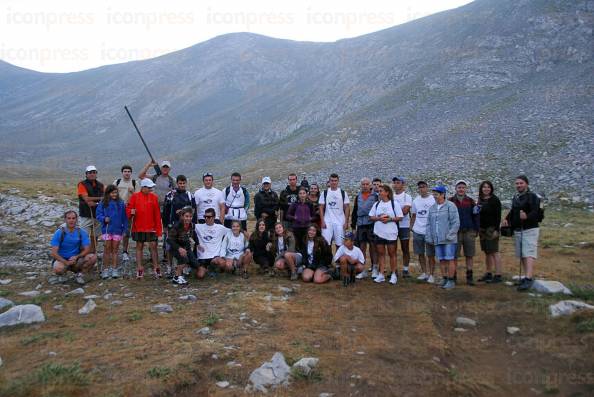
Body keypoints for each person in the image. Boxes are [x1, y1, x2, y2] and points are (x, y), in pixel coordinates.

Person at [503, 175, 542, 291]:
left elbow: (537, 212)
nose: (519, 185)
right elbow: (513, 211)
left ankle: (529, 278)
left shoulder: (533, 197)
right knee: (522, 254)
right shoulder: (516, 197)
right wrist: (507, 219)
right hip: (518, 229)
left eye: (521, 183)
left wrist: (527, 216)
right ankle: (526, 277)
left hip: (530, 229)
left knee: (528, 252)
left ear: (527, 184)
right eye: (517, 183)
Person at [126, 178, 163, 279]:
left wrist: (159, 230)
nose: (151, 189)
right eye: (149, 187)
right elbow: (128, 209)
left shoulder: (154, 197)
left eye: (151, 187)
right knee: (139, 246)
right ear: (143, 187)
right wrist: (130, 212)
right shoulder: (134, 197)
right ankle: (139, 268)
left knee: (153, 246)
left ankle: (156, 267)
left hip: (151, 227)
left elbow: (157, 214)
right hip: (138, 227)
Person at [426, 186, 460, 290]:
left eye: (436, 194)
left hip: (448, 239)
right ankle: (444, 278)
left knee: (450, 259)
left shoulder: (450, 206)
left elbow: (456, 222)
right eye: (434, 194)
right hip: (437, 239)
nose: (434, 196)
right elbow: (428, 224)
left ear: (442, 194)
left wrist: (450, 235)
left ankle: (451, 280)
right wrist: (429, 236)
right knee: (441, 259)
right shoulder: (432, 208)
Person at [369, 184, 404, 284]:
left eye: (381, 191)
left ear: (387, 193)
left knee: (392, 253)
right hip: (379, 232)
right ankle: (381, 274)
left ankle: (393, 274)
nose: (379, 193)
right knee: (381, 253)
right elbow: (371, 216)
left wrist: (390, 219)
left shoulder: (394, 204)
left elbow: (400, 217)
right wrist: (379, 218)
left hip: (391, 233)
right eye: (379, 191)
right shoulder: (377, 204)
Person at [50, 210, 97, 285]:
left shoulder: (81, 232)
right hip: (62, 259)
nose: (71, 220)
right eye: (69, 218)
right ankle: (62, 274)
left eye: (73, 218)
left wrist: (77, 256)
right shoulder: (59, 232)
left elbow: (87, 249)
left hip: (76, 259)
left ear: (76, 219)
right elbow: (54, 253)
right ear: (65, 220)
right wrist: (66, 262)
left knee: (93, 257)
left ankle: (80, 274)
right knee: (58, 269)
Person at [163, 175, 196, 276]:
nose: (182, 185)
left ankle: (184, 266)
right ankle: (169, 266)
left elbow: (194, 209)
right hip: (172, 224)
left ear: (186, 183)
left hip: (186, 224)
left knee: (185, 244)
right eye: (180, 183)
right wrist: (165, 225)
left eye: (183, 183)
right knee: (169, 247)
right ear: (177, 183)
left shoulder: (190, 195)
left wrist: (193, 223)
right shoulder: (170, 194)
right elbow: (165, 211)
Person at [449, 180, 480, 286]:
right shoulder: (450, 201)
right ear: (456, 189)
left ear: (466, 189)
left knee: (469, 255)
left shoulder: (471, 201)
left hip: (469, 231)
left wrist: (476, 229)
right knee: (454, 256)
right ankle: (453, 276)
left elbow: (476, 216)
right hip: (455, 233)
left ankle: (469, 277)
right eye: (459, 187)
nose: (461, 189)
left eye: (463, 187)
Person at [96, 185, 128, 279]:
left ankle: (114, 269)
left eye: (115, 192)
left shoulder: (121, 203)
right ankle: (105, 269)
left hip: (118, 230)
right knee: (107, 250)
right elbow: (98, 214)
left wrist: (125, 229)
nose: (114, 194)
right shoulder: (103, 202)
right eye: (112, 193)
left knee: (115, 250)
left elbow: (124, 218)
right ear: (108, 193)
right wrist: (103, 218)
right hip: (106, 230)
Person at [350, 177, 379, 279]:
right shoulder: (358, 197)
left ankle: (375, 268)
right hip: (361, 224)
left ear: (370, 185)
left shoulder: (375, 196)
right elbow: (355, 211)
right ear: (361, 185)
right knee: (361, 248)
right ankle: (362, 269)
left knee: (373, 247)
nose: (365, 186)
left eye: (367, 184)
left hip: (372, 224)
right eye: (363, 184)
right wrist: (353, 226)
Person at [477, 181, 503, 284]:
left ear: (491, 188)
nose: (486, 189)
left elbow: (498, 216)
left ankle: (498, 274)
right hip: (482, 229)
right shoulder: (480, 199)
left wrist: (497, 230)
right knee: (487, 251)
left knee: (494, 251)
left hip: (491, 229)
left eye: (488, 187)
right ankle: (488, 273)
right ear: (481, 189)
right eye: (484, 187)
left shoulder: (495, 200)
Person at [411, 181, 436, 283]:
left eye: (423, 187)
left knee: (430, 254)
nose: (422, 189)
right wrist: (411, 227)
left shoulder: (433, 199)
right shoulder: (416, 200)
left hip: (429, 231)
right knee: (420, 253)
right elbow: (414, 215)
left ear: (427, 188)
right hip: (418, 230)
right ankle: (424, 272)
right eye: (420, 187)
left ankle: (431, 275)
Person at [114, 164, 139, 262]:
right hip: (118, 208)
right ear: (122, 172)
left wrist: (133, 193)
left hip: (129, 208)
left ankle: (124, 251)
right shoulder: (117, 182)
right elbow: (111, 194)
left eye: (129, 171)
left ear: (131, 173)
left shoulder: (134, 183)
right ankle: (114, 250)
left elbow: (138, 197)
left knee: (126, 231)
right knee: (115, 230)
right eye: (125, 171)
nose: (127, 173)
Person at [195, 208, 229, 279]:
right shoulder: (198, 227)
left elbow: (233, 231)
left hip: (215, 257)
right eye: (205, 217)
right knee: (200, 276)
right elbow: (186, 225)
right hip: (203, 257)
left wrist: (245, 234)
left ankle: (214, 268)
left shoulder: (220, 228)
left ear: (214, 217)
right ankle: (207, 269)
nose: (206, 218)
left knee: (222, 263)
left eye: (209, 217)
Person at [166, 207, 197, 285]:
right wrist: (179, 248)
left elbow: (194, 236)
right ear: (182, 216)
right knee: (184, 258)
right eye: (186, 216)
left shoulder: (191, 225)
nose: (188, 218)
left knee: (195, 264)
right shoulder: (177, 226)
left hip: (185, 247)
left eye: (190, 216)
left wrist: (198, 244)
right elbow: (169, 240)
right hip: (174, 247)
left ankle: (182, 270)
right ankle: (177, 277)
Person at [77, 165, 104, 253]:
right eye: (90, 173)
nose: (92, 174)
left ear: (96, 174)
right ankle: (83, 254)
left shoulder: (100, 185)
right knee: (84, 236)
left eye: (94, 172)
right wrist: (99, 199)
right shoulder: (82, 184)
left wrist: (95, 202)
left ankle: (93, 254)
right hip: (85, 215)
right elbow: (86, 198)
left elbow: (103, 197)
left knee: (94, 236)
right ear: (86, 174)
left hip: (97, 214)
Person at [319, 173, 351, 248]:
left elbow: (347, 207)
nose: (333, 182)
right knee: (326, 244)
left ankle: (338, 259)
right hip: (327, 221)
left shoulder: (343, 193)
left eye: (335, 180)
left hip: (340, 221)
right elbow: (321, 207)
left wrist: (346, 222)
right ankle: (327, 259)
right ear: (329, 181)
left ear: (338, 181)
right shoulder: (325, 193)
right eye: (332, 180)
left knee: (339, 244)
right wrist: (322, 221)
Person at [391, 177, 413, 278]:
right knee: (392, 249)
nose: (396, 185)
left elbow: (405, 211)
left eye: (398, 183)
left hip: (404, 226)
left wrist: (393, 214)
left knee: (405, 248)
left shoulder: (407, 197)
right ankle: (394, 270)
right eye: (394, 183)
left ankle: (405, 269)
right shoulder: (391, 196)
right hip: (393, 226)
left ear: (403, 184)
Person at [286, 187, 314, 251]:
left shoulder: (309, 204)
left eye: (303, 193)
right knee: (297, 245)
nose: (302, 195)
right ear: (298, 195)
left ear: (306, 194)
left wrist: (310, 218)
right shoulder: (294, 204)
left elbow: (314, 215)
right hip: (296, 228)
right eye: (300, 193)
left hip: (307, 228)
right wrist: (294, 217)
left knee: (306, 245)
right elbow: (287, 215)